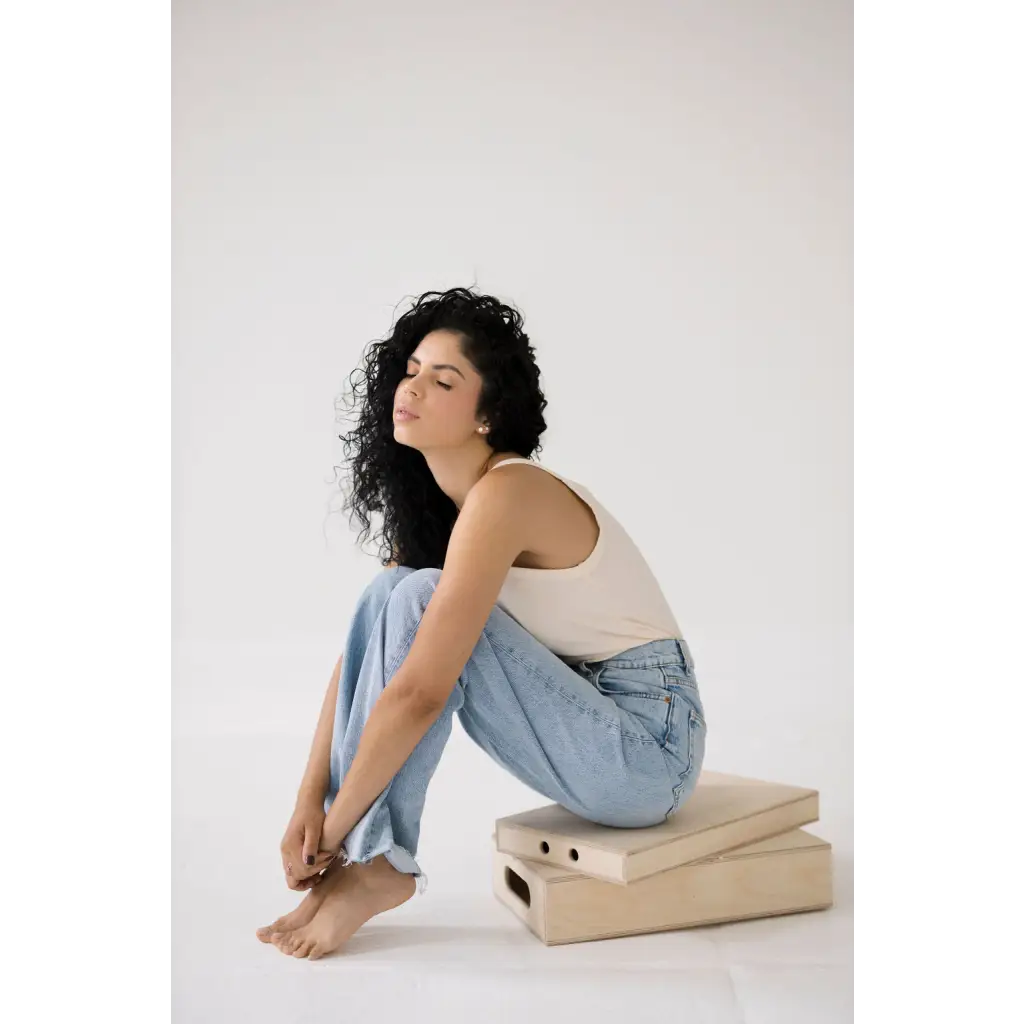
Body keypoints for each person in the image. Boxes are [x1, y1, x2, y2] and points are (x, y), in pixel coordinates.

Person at [256, 286, 707, 959]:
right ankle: (365, 862)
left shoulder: (509, 492)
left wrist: (335, 832)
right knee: (392, 591)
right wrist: (308, 800)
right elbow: (361, 660)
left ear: (487, 414)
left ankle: (375, 865)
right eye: (410, 372)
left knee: (415, 599)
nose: (413, 389)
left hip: (647, 753)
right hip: (585, 727)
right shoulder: (456, 515)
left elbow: (420, 694)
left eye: (444, 381)